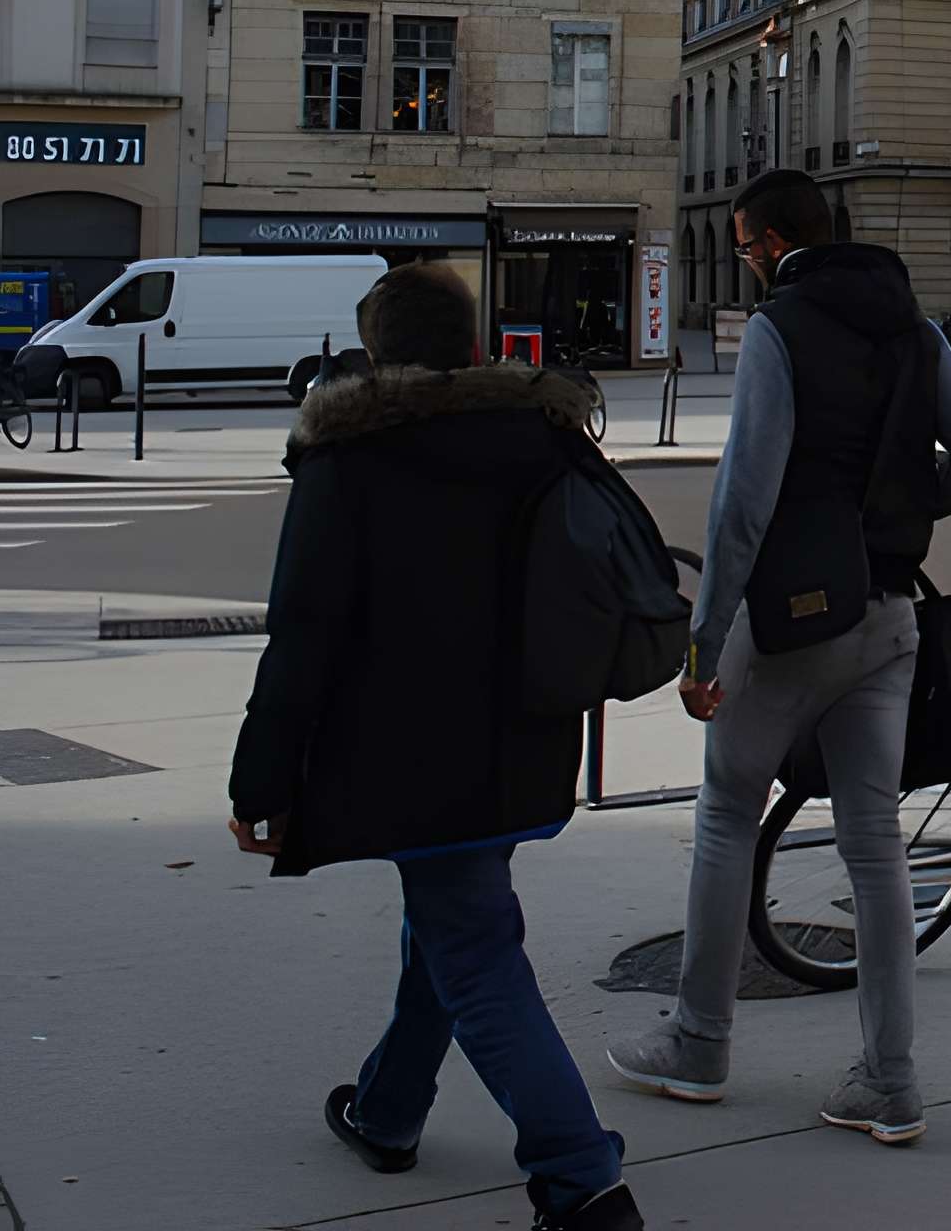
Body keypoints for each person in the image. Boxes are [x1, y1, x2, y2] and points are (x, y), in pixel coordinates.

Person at [228, 265, 641, 1231]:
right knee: (457, 919)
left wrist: (264, 779)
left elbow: (306, 630)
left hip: (410, 753)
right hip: (529, 736)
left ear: (374, 352)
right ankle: (389, 1110)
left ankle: (581, 1181)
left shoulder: (352, 455)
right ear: (472, 342)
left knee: (473, 947)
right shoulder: (544, 438)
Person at [605, 169, 951, 1148]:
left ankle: (699, 1040)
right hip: (887, 613)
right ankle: (890, 1077)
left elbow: (745, 497)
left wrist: (706, 639)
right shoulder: (913, 325)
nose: (745, 259)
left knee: (725, 815)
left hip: (792, 618)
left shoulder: (782, 328)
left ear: (777, 240)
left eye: (746, 245)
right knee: (874, 847)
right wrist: (899, 511)